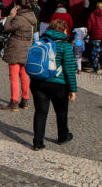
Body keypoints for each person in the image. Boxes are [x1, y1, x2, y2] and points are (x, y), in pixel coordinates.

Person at [29, 19, 77, 151]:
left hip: (38, 82)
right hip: (58, 84)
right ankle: (62, 136)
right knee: (61, 111)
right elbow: (69, 68)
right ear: (63, 30)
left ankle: (38, 142)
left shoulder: (40, 42)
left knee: (40, 112)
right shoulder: (65, 46)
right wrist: (73, 89)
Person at [0, 0, 37, 111]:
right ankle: (25, 100)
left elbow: (7, 28)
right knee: (24, 75)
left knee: (14, 76)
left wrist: (11, 16)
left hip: (16, 47)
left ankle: (14, 102)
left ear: (18, 7)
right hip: (27, 46)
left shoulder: (20, 18)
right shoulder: (31, 17)